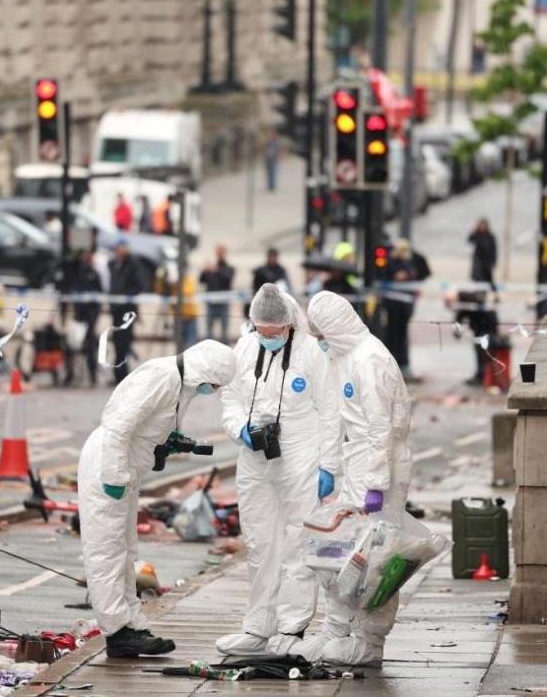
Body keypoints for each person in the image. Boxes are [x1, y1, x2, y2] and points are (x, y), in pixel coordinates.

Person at [78, 340, 237, 658]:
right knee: (106, 551)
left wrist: (167, 441)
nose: (215, 389)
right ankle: (117, 632)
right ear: (205, 371)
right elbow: (118, 427)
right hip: (108, 466)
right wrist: (113, 477)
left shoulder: (179, 384)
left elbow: (147, 426)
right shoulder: (162, 377)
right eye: (216, 383)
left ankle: (131, 624)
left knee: (125, 551)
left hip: (124, 469)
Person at [214, 285, 341, 657]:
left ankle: (292, 627)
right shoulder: (245, 347)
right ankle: (259, 626)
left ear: (289, 325)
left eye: (275, 332)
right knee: (259, 543)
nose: (268, 337)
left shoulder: (311, 353)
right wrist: (240, 429)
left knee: (297, 542)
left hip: (301, 452)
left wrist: (329, 465)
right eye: (262, 331)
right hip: (255, 457)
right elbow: (230, 398)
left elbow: (330, 411)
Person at [296, 291, 414, 666]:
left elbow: (382, 428)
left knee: (377, 560)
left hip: (382, 465)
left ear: (334, 330)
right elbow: (340, 415)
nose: (319, 342)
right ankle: (335, 631)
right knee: (343, 553)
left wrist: (376, 484)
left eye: (321, 335)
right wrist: (332, 466)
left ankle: (370, 642)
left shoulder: (370, 360)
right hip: (358, 461)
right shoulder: (344, 356)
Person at [383, 239, 431, 380]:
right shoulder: (391, 262)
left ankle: (402, 365)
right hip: (394, 307)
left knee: (401, 337)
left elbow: (422, 272)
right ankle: (395, 366)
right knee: (393, 336)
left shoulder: (409, 262)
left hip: (404, 307)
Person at [108, 240, 147, 383]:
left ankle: (123, 374)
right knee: (117, 341)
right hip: (116, 310)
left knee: (124, 342)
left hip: (127, 310)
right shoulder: (113, 264)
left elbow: (140, 285)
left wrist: (125, 296)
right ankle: (119, 373)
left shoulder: (133, 264)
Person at [66, 250, 104, 386]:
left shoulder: (94, 274)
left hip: (90, 317)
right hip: (78, 318)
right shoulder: (76, 274)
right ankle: (70, 374)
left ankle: (92, 376)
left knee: (90, 347)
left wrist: (93, 316)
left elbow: (99, 296)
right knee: (71, 345)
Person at [199, 244, 235, 343]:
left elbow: (227, 278)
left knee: (224, 332)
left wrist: (216, 270)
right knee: (209, 331)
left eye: (221, 252)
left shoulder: (228, 268)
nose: (219, 254)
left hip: (223, 303)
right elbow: (201, 280)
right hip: (211, 303)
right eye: (218, 252)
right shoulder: (211, 268)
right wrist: (204, 270)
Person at [468, 218, 497, 289]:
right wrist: (472, 231)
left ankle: (493, 293)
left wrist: (494, 261)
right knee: (477, 278)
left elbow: (494, 249)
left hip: (487, 261)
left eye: (484, 225)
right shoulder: (477, 234)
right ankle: (478, 293)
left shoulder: (490, 236)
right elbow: (470, 240)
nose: (482, 227)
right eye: (481, 225)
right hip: (478, 260)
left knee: (488, 279)